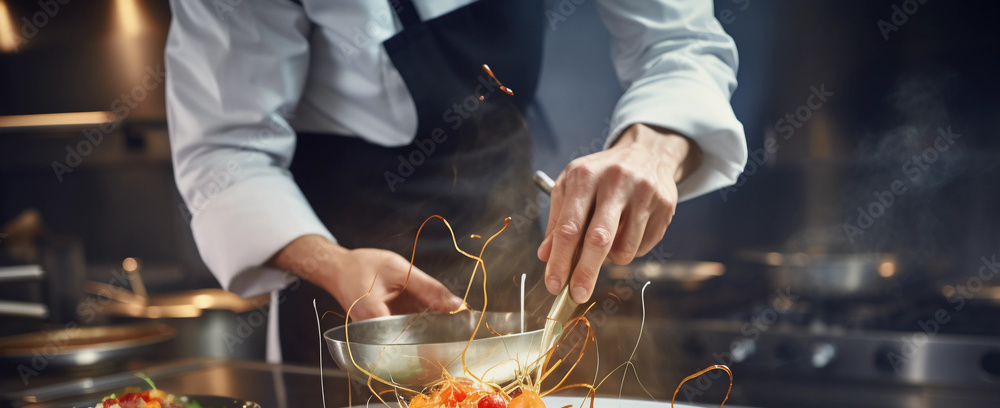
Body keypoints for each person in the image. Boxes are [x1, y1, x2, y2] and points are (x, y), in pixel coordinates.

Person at [166, 1, 747, 363]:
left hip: (514, 249)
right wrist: (327, 262)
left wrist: (651, 147)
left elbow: (679, 43)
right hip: (347, 275)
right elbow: (224, 149)